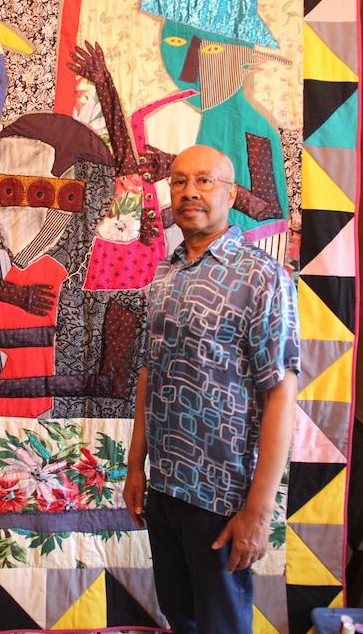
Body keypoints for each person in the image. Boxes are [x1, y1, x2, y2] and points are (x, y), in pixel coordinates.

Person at [123, 144, 300, 634]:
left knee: (221, 626)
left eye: (204, 181)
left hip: (222, 499)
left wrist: (258, 512)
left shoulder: (262, 277)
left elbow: (281, 394)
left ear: (230, 193)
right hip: (165, 489)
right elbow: (147, 372)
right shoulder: (165, 273)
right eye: (179, 181)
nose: (189, 192)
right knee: (180, 619)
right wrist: (135, 465)